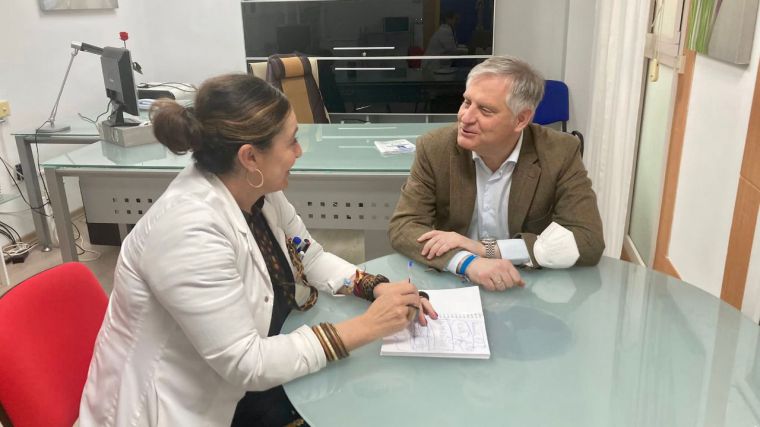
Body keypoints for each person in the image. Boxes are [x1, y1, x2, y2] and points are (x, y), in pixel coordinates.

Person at [79, 74, 435, 426]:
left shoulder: (256, 191)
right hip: (180, 407)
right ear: (250, 156)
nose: (299, 151)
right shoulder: (189, 230)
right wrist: (368, 327)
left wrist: (375, 287)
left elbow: (309, 256)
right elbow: (245, 363)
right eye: (292, 141)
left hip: (244, 383)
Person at [389, 56, 604, 292]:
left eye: (485, 110)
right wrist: (469, 262)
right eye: (466, 102)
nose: (466, 118)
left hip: (530, 286)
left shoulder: (559, 152)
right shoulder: (435, 148)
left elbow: (588, 241)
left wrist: (485, 249)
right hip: (455, 283)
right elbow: (404, 227)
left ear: (521, 119)